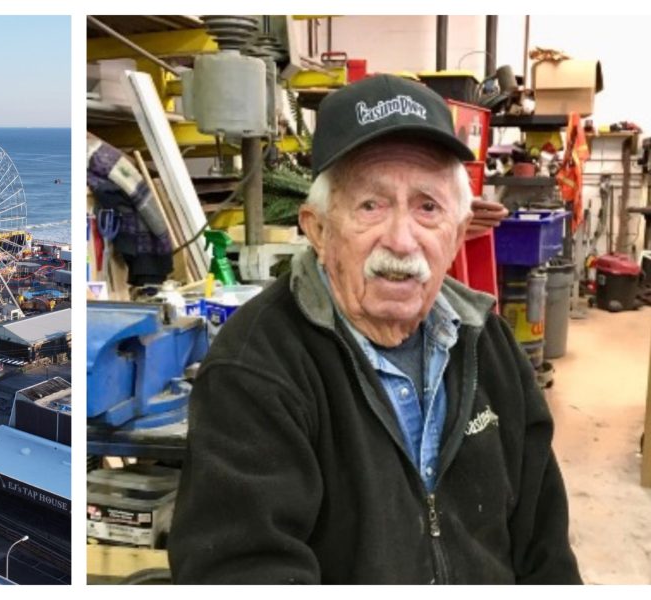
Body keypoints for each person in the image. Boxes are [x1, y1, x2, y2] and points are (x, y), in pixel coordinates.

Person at [167, 74, 582, 584]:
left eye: (428, 207)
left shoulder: (489, 345)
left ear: (457, 231)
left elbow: (545, 550)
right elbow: (242, 570)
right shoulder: (256, 367)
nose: (402, 240)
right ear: (317, 228)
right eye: (371, 205)